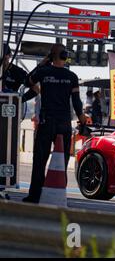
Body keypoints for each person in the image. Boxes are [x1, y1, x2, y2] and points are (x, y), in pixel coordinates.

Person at [22, 43, 87, 203]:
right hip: (64, 124)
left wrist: (44, 62)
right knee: (62, 161)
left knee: (39, 160)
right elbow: (77, 102)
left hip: (47, 123)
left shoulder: (43, 72)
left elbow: (27, 81)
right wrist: (81, 118)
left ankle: (35, 195)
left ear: (52, 57)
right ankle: (58, 193)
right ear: (65, 56)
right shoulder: (71, 77)